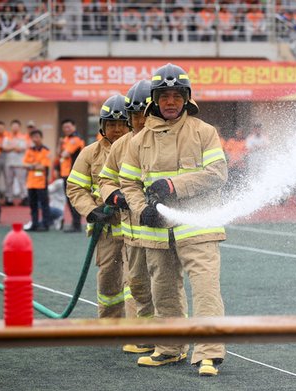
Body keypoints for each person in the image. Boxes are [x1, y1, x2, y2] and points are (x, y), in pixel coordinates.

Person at [119, 63, 227, 376]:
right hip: (156, 231)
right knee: (162, 292)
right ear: (154, 99)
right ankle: (169, 348)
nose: (170, 101)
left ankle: (208, 353)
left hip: (198, 227)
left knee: (206, 290)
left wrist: (173, 186)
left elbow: (217, 174)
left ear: (186, 98)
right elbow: (128, 184)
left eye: (176, 95)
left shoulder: (204, 132)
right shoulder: (138, 141)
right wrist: (142, 210)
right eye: (164, 95)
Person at [98, 81, 186, 354]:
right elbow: (106, 180)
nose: (138, 120)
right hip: (133, 231)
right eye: (133, 115)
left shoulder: (166, 137)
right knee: (137, 284)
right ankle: (147, 336)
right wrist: (116, 196)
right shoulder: (122, 145)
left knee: (166, 287)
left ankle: (173, 342)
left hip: (163, 230)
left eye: (142, 114)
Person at [67, 94, 134, 321]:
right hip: (106, 232)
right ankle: (110, 326)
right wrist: (91, 211)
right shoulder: (89, 153)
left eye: (121, 123)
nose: (117, 129)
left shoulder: (140, 148)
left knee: (136, 280)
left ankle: (139, 329)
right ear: (103, 126)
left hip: (136, 229)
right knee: (108, 282)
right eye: (111, 124)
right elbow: (75, 187)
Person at [22, 129, 51, 232]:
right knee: (32, 205)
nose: (35, 139)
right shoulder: (29, 150)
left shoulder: (46, 150)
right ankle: (34, 223)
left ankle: (45, 224)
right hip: (31, 182)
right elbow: (24, 164)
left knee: (44, 204)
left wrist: (31, 165)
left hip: (41, 182)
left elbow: (43, 166)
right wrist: (34, 165)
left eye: (37, 136)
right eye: (33, 137)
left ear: (41, 137)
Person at [59, 119, 85, 232]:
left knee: (73, 199)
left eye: (68, 127)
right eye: (64, 127)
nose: (66, 129)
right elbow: (59, 155)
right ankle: (75, 223)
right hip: (65, 173)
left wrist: (61, 148)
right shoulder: (66, 139)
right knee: (69, 199)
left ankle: (77, 224)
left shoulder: (76, 139)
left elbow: (65, 154)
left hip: (73, 173)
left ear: (74, 126)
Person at [2, 119, 29, 206]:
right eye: (13, 126)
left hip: (20, 163)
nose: (15, 128)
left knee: (21, 181)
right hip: (9, 162)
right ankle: (9, 199)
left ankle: (24, 198)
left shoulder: (23, 137)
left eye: (16, 126)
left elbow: (22, 148)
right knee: (8, 181)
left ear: (19, 127)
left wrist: (11, 146)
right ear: (11, 127)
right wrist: (14, 147)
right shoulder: (7, 136)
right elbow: (4, 147)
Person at [0, 121, 8, 202]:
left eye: (1, 127)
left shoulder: (8, 136)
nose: (0, 129)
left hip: (6, 158)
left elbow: (12, 146)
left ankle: (7, 197)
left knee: (7, 178)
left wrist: (2, 147)